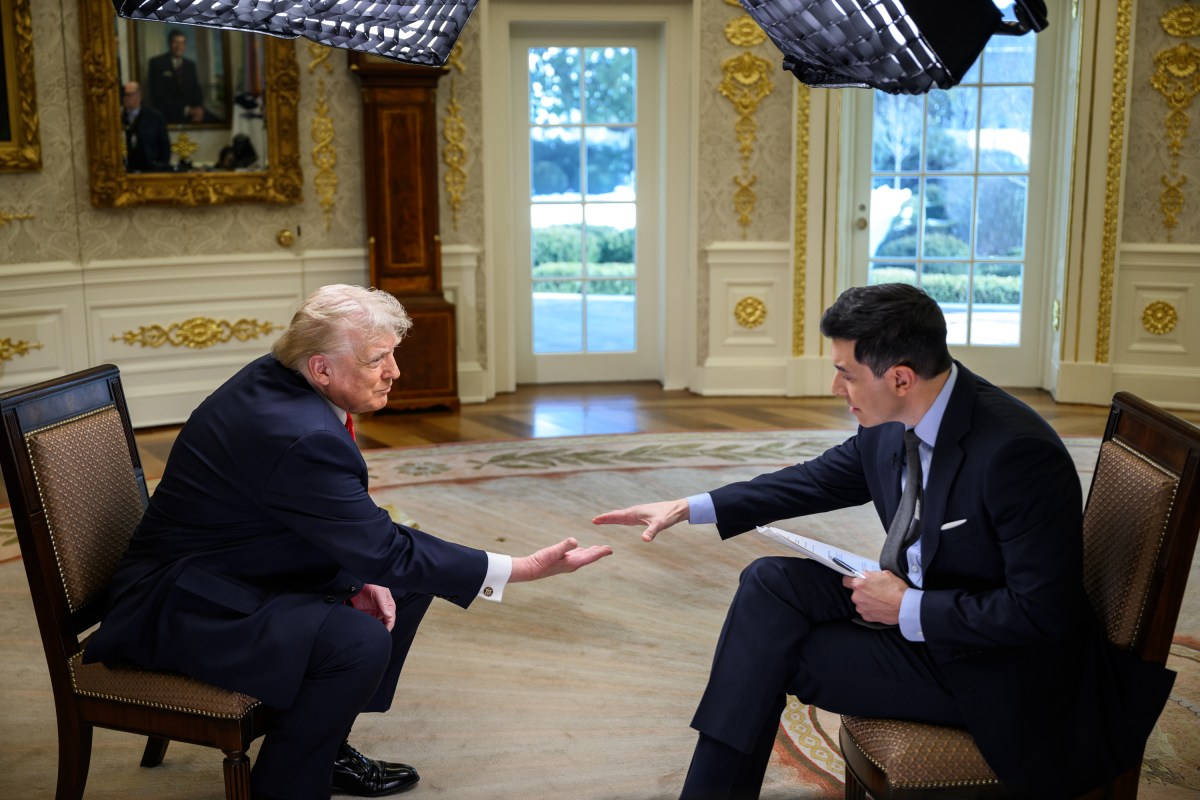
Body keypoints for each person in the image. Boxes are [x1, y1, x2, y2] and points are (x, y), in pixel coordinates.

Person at [593, 283, 1174, 800]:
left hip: (995, 671)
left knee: (766, 653)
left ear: (899, 377)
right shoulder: (894, 420)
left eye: (846, 372)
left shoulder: (1015, 456)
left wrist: (908, 607)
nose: (834, 386)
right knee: (767, 584)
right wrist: (689, 506)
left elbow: (1043, 613)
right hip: (925, 612)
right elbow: (813, 479)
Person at [84, 285, 613, 800]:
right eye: (377, 358)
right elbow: (381, 544)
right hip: (179, 602)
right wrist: (518, 568)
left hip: (238, 562)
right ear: (322, 368)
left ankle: (326, 742)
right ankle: (285, 786)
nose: (395, 371)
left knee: (401, 586)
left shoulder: (281, 379)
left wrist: (360, 574)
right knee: (357, 642)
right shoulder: (297, 432)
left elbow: (332, 523)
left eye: (392, 354)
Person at [146, 29, 217, 124]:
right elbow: (158, 97)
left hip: (193, 113)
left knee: (216, 121)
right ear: (170, 44)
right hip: (169, 114)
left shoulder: (190, 65)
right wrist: (186, 110)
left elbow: (196, 90)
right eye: (176, 42)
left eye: (182, 43)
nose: (179, 46)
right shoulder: (157, 63)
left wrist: (199, 110)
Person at [120, 81, 171, 172]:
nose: (125, 98)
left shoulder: (155, 117)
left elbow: (164, 145)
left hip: (151, 169)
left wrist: (161, 166)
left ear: (138, 96)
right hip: (127, 169)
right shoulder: (118, 118)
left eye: (128, 95)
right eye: (124, 95)